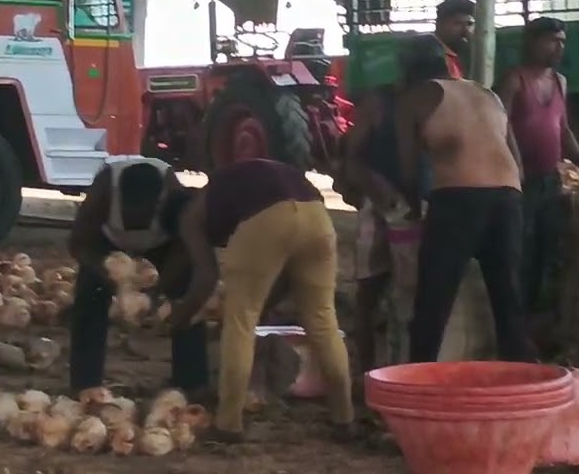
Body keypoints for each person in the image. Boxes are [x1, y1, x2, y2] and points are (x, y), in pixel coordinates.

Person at [157, 158, 353, 442]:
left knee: (240, 323)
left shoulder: (189, 215)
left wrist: (182, 315)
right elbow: (284, 278)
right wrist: (263, 304)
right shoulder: (236, 183)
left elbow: (206, 277)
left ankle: (228, 424)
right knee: (323, 320)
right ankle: (344, 418)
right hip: (317, 217)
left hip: (266, 219)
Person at [394, 36, 536, 363]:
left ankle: (420, 376)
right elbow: (517, 164)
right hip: (508, 197)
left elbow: (409, 169)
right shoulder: (486, 93)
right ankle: (521, 377)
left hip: (458, 200)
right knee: (508, 297)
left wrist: (415, 210)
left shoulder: (415, 98)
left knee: (434, 298)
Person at [495, 17, 579, 314]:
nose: (558, 47)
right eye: (552, 41)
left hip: (550, 180)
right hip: (517, 182)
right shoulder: (513, 79)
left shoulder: (560, 82)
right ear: (531, 43)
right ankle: (515, 319)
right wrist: (515, 165)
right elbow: (498, 125)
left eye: (562, 41)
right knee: (520, 252)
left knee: (549, 249)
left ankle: (538, 315)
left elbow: (563, 131)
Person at [67, 157, 209, 396]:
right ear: (118, 197)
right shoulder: (103, 191)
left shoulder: (172, 193)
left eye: (143, 214)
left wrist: (158, 291)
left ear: (158, 204)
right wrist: (106, 272)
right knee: (89, 296)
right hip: (109, 245)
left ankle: (191, 381)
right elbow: (78, 242)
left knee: (187, 293)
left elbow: (186, 245)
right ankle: (85, 382)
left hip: (164, 245)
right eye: (130, 212)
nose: (136, 220)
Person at [340, 83, 432, 377]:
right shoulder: (382, 103)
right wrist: (380, 191)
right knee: (379, 294)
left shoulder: (407, 101)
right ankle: (371, 376)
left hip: (404, 204)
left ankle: (394, 374)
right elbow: (351, 158)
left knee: (400, 296)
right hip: (390, 204)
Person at [434, 0, 476, 77]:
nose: (466, 30)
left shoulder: (469, 55)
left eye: (469, 24)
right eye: (458, 24)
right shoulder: (430, 55)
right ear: (439, 24)